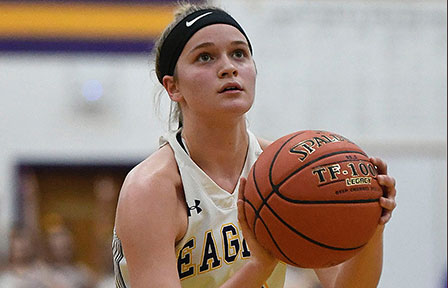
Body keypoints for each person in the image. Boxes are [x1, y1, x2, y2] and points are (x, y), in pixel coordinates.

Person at [112, 2, 397, 288]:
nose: (228, 68)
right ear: (173, 87)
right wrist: (259, 266)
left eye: (239, 54)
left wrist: (371, 223)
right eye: (205, 57)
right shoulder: (151, 189)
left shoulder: (287, 171)